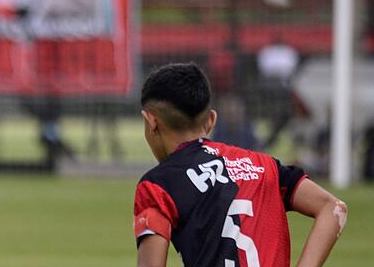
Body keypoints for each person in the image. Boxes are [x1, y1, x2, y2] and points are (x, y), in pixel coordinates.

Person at [134, 62, 346, 267]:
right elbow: (334, 208)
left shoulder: (157, 185)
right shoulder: (266, 167)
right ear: (211, 121)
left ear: (151, 122)